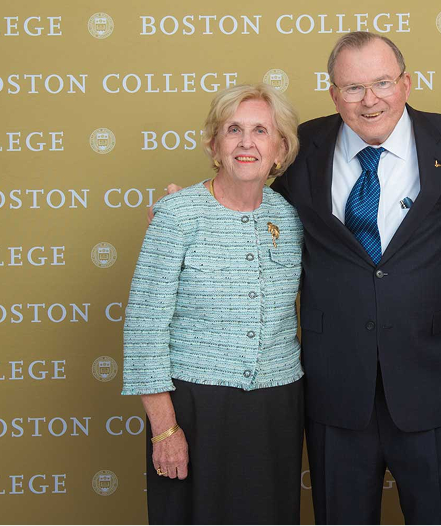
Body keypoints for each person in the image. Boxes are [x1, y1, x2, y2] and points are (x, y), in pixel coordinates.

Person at [270, 32, 441, 525]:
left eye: (382, 82)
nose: (370, 100)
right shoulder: (301, 149)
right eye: (352, 88)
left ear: (406, 83)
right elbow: (253, 209)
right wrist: (188, 204)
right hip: (336, 385)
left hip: (430, 383)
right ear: (333, 94)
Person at [122, 83, 304, 526]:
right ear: (214, 146)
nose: (247, 143)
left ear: (280, 149)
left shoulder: (292, 217)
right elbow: (144, 326)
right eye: (233, 130)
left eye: (261, 131)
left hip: (276, 407)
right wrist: (165, 428)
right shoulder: (177, 214)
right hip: (194, 408)